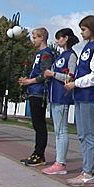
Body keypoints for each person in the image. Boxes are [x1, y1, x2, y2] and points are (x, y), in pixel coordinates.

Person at [64, 15, 94, 187]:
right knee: (82, 134)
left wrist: (77, 83)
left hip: (89, 96)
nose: (81, 33)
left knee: (89, 135)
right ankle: (85, 170)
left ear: (92, 29)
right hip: (80, 96)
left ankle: (89, 173)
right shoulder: (87, 47)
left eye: (83, 29)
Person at [42, 28, 80, 175]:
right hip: (54, 96)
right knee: (57, 130)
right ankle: (59, 160)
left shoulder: (71, 56)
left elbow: (70, 77)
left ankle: (61, 162)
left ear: (66, 38)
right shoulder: (60, 56)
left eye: (59, 38)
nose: (57, 41)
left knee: (61, 130)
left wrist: (53, 74)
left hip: (62, 97)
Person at [19, 28, 55, 166]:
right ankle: (36, 152)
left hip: (39, 92)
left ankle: (39, 154)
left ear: (42, 37)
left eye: (34, 37)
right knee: (36, 124)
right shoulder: (39, 54)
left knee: (39, 125)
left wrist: (30, 81)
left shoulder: (46, 54)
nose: (33, 40)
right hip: (33, 91)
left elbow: (45, 74)